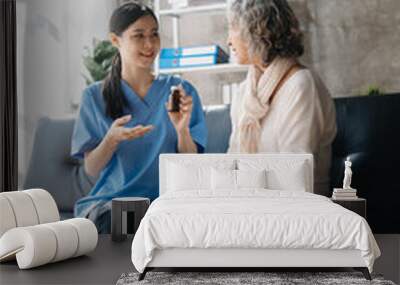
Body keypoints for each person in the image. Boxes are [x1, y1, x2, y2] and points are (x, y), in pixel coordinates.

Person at [71, 2, 207, 233]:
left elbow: (191, 165)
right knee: (135, 224)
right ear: (116, 40)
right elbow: (91, 170)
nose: (149, 44)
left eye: (154, 34)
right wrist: (111, 140)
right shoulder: (94, 96)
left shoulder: (181, 91)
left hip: (165, 204)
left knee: (167, 223)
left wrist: (182, 129)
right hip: (113, 205)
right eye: (139, 35)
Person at [226, 0, 337, 196]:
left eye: (232, 28)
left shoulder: (301, 85)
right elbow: (231, 162)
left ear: (257, 34)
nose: (228, 41)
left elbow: (295, 173)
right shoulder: (244, 91)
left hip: (300, 208)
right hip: (249, 204)